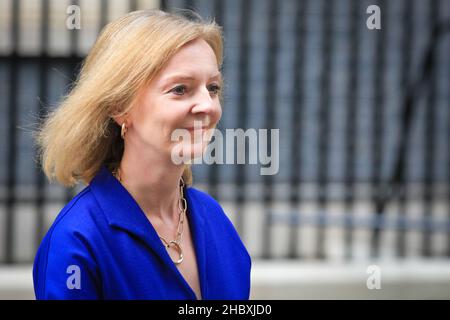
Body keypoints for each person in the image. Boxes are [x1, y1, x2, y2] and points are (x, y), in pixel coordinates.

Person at [32, 9, 251, 300]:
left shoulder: (213, 218)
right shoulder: (78, 239)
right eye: (180, 89)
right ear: (120, 107)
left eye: (213, 88)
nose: (207, 106)